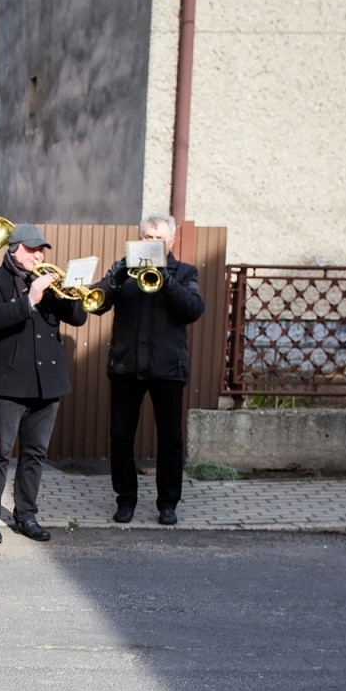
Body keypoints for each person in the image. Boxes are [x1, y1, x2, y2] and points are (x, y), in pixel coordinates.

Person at [0, 223, 86, 543]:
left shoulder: (49, 282)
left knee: (35, 454)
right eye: (33, 249)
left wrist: (75, 291)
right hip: (9, 383)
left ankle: (26, 515)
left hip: (47, 383)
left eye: (41, 250)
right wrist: (29, 299)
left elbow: (77, 317)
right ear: (14, 249)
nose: (39, 255)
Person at [97, 214, 206, 526]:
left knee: (170, 439)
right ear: (139, 238)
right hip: (126, 366)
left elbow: (193, 309)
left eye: (158, 238)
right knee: (120, 437)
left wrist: (165, 278)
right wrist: (115, 278)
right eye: (147, 237)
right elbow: (97, 303)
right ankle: (126, 500)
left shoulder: (184, 272)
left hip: (167, 368)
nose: (152, 243)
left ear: (170, 242)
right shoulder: (124, 269)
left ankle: (168, 503)